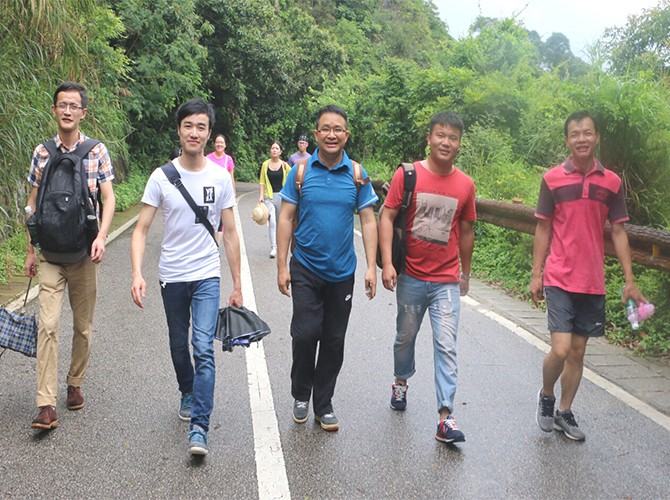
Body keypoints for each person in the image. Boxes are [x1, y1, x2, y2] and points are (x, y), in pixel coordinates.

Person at [130, 98, 242, 456]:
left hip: (207, 274)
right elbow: (140, 229)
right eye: (188, 126)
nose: (194, 132)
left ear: (209, 134)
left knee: (203, 347)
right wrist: (137, 272)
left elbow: (231, 232)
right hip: (172, 275)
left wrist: (237, 284)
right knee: (179, 344)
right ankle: (187, 390)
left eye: (201, 127)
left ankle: (200, 427)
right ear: (179, 130)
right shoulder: (161, 177)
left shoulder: (220, 177)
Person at [531, 110, 646, 441]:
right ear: (567, 140)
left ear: (597, 137)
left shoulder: (612, 182)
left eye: (587, 133)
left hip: (592, 280)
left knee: (578, 352)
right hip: (559, 276)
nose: (581, 139)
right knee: (561, 349)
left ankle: (564, 411)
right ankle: (547, 395)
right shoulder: (552, 179)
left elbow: (619, 231)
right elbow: (543, 227)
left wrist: (629, 280)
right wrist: (537, 273)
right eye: (575, 134)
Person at [276, 104, 378, 432]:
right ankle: (301, 393)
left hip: (342, 272)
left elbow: (368, 220)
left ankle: (324, 404)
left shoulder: (357, 174)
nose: (332, 134)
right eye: (326, 129)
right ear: (316, 134)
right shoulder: (300, 172)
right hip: (305, 266)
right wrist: (282, 266)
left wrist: (372, 267)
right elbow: (286, 217)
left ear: (346, 135)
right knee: (305, 334)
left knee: (334, 340)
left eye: (338, 129)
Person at [379, 111, 476, 444]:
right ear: (429, 138)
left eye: (453, 138)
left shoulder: (465, 185)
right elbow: (387, 216)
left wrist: (465, 273)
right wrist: (388, 264)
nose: (446, 142)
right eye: (440, 135)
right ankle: (401, 382)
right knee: (405, 337)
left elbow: (466, 229)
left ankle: (445, 417)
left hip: (446, 280)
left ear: (459, 144)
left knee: (446, 345)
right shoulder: (408, 175)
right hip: (411, 276)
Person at [25, 81, 116, 430]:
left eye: (73, 106)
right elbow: (32, 204)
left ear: (83, 113)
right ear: (54, 110)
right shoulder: (42, 153)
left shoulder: (97, 151)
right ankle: (45, 404)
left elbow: (108, 198)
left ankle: (74, 382)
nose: (67, 111)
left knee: (83, 327)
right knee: (47, 326)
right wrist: (30, 250)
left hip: (83, 253)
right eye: (61, 105)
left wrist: (102, 237)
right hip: (50, 253)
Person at [258, 141, 290, 258]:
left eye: (277, 148)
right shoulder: (265, 164)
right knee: (272, 222)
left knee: (280, 223)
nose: (274, 150)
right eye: (273, 148)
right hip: (269, 197)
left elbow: (293, 175)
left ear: (280, 152)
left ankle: (280, 245)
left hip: (281, 197)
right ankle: (273, 248)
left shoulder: (284, 165)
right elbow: (262, 182)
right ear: (270, 150)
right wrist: (261, 196)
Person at [206, 134, 236, 243]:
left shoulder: (228, 159)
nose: (219, 144)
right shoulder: (207, 158)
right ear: (214, 144)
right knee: (209, 218)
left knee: (221, 221)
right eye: (217, 142)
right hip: (209, 193)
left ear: (225, 145)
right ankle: (209, 241)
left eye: (221, 142)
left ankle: (216, 246)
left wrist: (233, 194)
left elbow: (231, 178)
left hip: (223, 194)